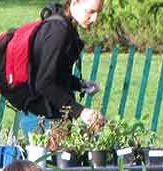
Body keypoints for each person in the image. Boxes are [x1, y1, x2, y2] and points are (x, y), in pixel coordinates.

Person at [17, 0, 105, 134]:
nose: (95, 19)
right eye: (91, 12)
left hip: (52, 113)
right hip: (41, 116)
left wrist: (79, 84)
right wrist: (81, 111)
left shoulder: (67, 26)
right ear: (74, 4)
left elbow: (54, 73)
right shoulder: (58, 31)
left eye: (98, 13)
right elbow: (43, 83)